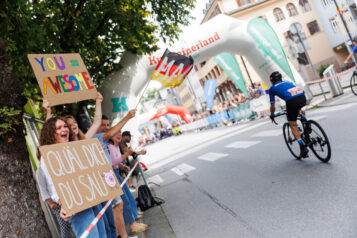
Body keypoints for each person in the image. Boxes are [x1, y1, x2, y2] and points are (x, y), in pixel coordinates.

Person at [39, 116, 107, 238]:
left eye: (65, 126)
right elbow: (52, 185)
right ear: (51, 133)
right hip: (77, 207)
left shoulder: (74, 148)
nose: (64, 129)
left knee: (102, 235)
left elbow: (87, 171)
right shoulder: (47, 157)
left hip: (92, 199)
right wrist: (63, 203)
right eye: (58, 128)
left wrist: (96, 155)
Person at [95, 113, 149, 234]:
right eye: (102, 125)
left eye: (107, 125)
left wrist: (122, 164)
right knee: (120, 203)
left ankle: (131, 223)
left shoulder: (109, 144)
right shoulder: (103, 142)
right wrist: (128, 116)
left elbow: (113, 160)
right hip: (108, 175)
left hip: (113, 173)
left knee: (124, 201)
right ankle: (130, 225)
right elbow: (114, 160)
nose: (106, 128)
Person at [268, 71, 308, 158]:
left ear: (272, 81)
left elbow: (272, 105)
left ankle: (303, 147)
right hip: (302, 96)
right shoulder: (288, 82)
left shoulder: (272, 88)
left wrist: (272, 114)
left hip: (291, 101)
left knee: (292, 125)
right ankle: (305, 122)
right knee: (298, 107)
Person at [108, 132, 134, 238]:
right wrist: (127, 154)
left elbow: (116, 161)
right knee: (118, 206)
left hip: (116, 173)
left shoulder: (115, 146)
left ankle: (124, 233)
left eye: (119, 132)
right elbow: (112, 161)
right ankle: (124, 232)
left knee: (121, 204)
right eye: (115, 133)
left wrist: (122, 166)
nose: (118, 134)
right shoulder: (109, 146)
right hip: (111, 175)